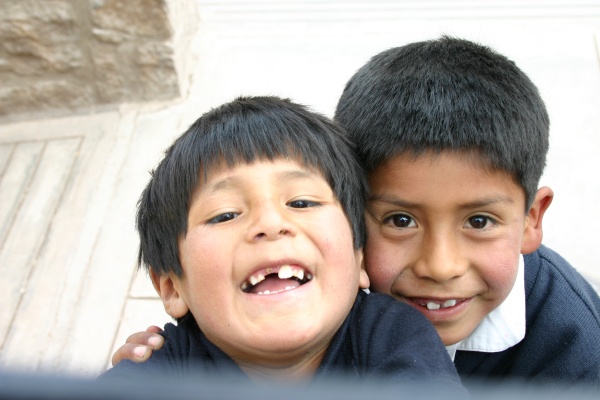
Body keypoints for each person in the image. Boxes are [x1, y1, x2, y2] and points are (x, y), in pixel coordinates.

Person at [112, 37, 600, 385]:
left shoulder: (577, 349)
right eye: (399, 220)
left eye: (479, 221)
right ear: (352, 220)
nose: (440, 266)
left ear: (531, 219)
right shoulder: (284, 316)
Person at [101, 95, 464, 390]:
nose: (271, 224)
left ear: (361, 258)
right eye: (224, 214)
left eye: (302, 202)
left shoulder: (392, 334)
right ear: (171, 287)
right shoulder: (162, 365)